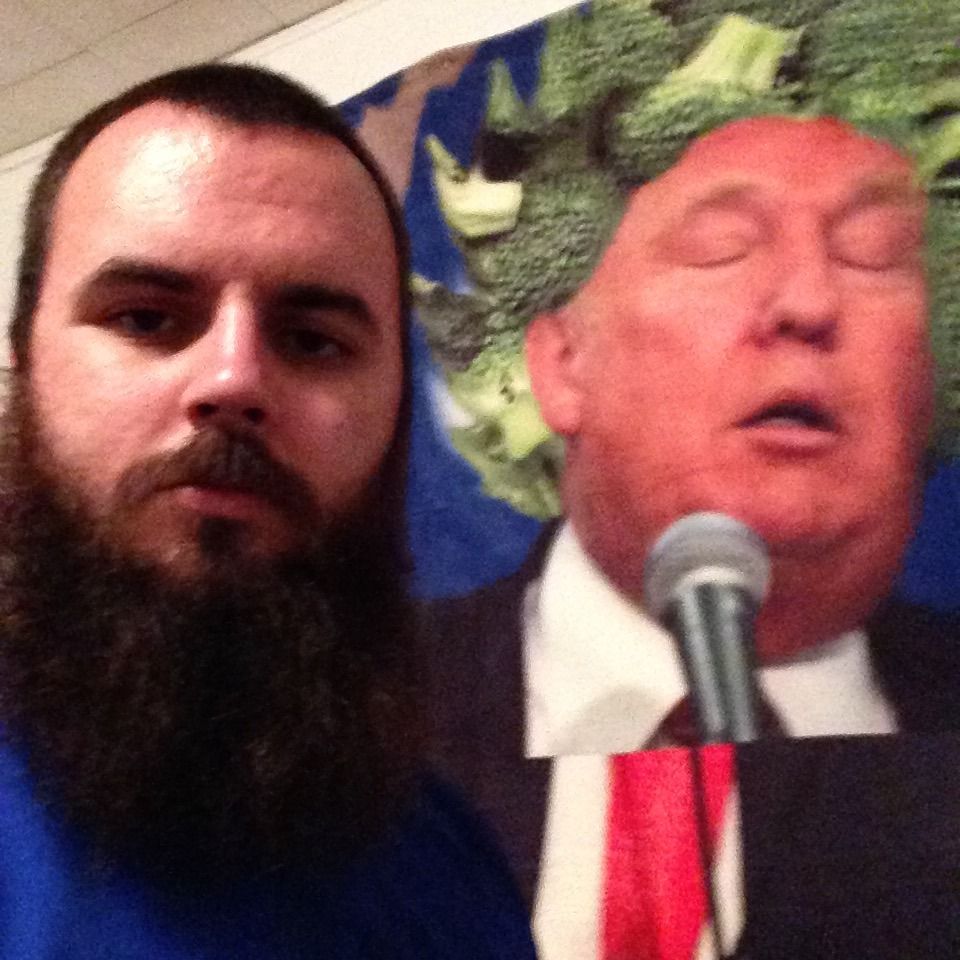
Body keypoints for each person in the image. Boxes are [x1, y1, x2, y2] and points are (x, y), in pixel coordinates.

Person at [418, 4, 960, 958]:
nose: (808, 302)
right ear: (560, 364)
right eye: (721, 248)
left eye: (873, 253)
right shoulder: (364, 712)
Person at [0, 63, 536, 960]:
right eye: (145, 319)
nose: (233, 379)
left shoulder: (444, 865)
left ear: (397, 405)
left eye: (313, 341)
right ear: (23, 365)